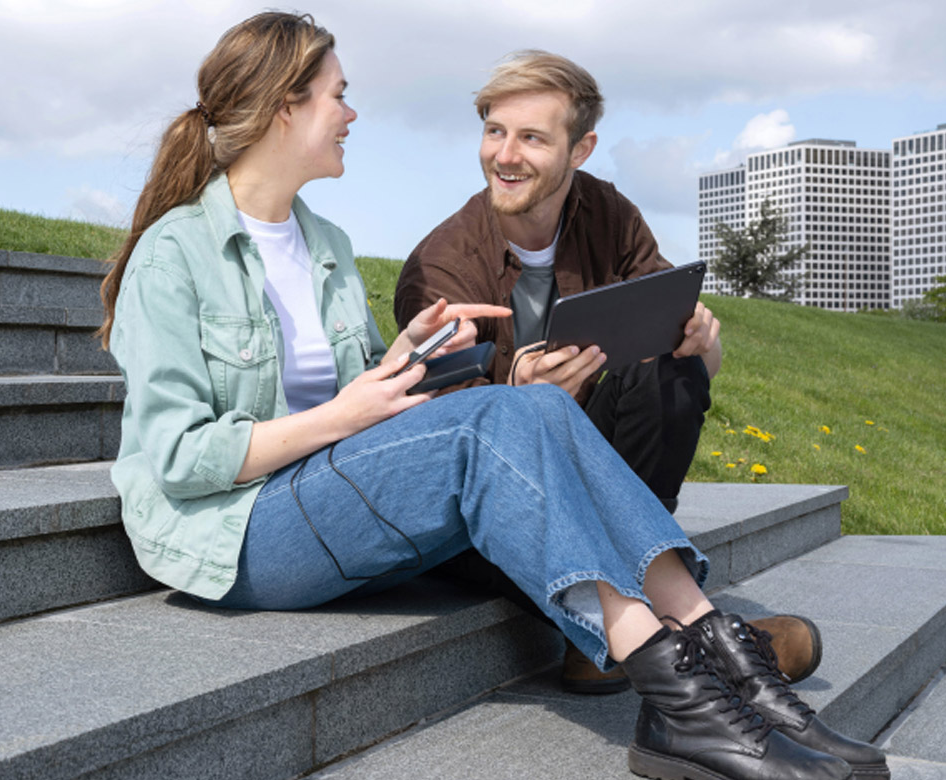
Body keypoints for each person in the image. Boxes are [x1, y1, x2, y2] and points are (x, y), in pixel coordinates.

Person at [100, 12, 884, 780]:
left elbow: (355, 406)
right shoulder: (174, 255)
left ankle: (719, 657)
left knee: (533, 405)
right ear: (285, 109)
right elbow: (180, 458)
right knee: (501, 413)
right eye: (337, 95)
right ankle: (683, 689)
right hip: (238, 537)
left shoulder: (324, 246)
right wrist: (353, 411)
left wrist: (403, 363)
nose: (351, 113)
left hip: (325, 495)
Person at [392, 50, 815, 698]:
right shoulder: (441, 267)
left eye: (531, 137)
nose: (504, 155)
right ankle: (700, 637)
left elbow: (689, 359)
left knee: (668, 369)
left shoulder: (607, 213)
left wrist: (703, 343)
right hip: (495, 510)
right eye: (494, 131)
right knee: (524, 432)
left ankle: (613, 638)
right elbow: (444, 440)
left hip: (602, 472)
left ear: (580, 148)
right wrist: (516, 398)